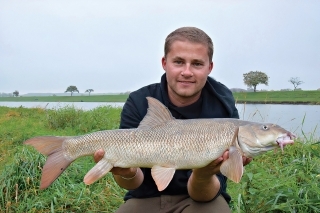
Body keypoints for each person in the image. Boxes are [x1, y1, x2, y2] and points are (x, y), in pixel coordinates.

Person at [94, 26, 252, 213]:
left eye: (197, 64)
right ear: (164, 63)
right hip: (145, 196)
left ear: (210, 67)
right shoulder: (139, 101)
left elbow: (205, 195)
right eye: (178, 62)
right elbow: (132, 184)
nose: (187, 71)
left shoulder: (222, 104)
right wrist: (125, 173)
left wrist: (203, 174)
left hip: (201, 199)